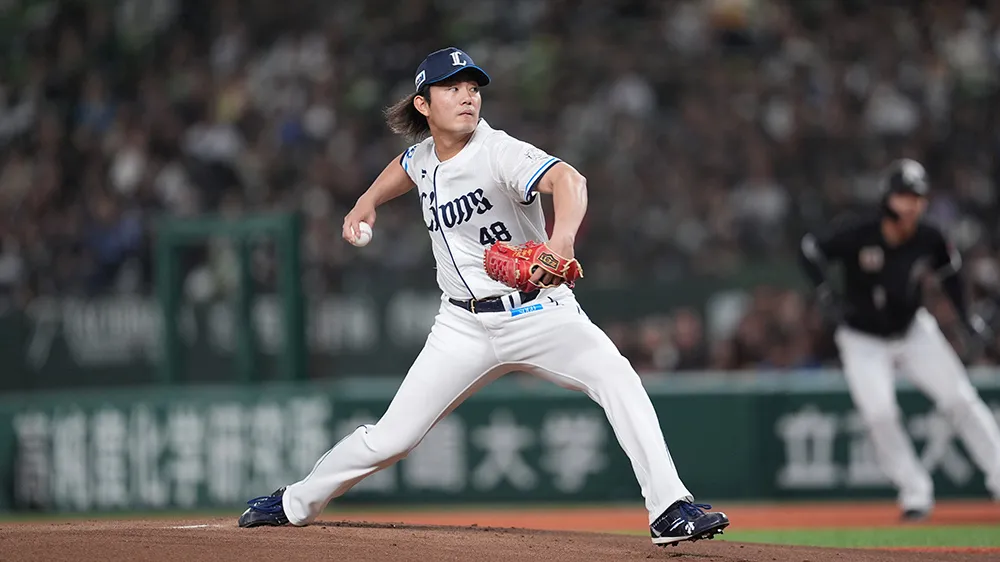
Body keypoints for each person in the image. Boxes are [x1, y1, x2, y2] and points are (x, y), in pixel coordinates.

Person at [236, 47, 729, 546]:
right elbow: (406, 165)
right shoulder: (426, 157)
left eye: (473, 88)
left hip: (538, 312)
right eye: (453, 88)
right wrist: (366, 201)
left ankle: (669, 508)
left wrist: (561, 241)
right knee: (392, 439)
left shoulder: (498, 152)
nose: (468, 96)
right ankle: (295, 501)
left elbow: (568, 179)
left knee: (616, 377)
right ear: (423, 104)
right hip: (461, 327)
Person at [798, 158, 1000, 520]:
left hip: (912, 330)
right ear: (888, 198)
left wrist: (966, 317)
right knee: (879, 415)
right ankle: (915, 492)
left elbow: (950, 275)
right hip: (862, 338)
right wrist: (824, 292)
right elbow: (809, 248)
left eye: (918, 197)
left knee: (959, 399)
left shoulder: (930, 236)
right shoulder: (858, 231)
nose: (912, 204)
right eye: (904, 195)